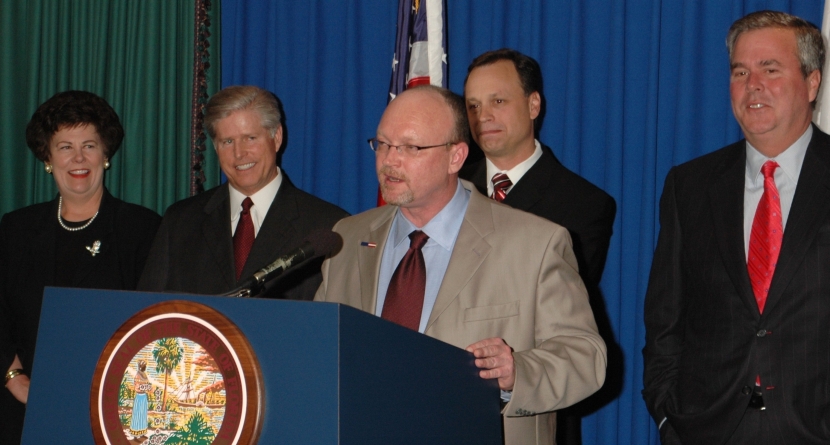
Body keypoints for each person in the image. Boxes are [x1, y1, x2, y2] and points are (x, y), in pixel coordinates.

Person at [314, 85, 606, 445]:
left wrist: (519, 373)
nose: (389, 160)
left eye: (410, 147)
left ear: (456, 157)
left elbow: (585, 358)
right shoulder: (347, 237)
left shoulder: (535, 243)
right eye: (383, 144)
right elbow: (319, 351)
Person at [643, 10, 830, 444]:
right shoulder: (688, 186)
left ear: (813, 83)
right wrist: (670, 419)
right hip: (708, 431)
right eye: (740, 71)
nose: (753, 85)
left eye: (770, 69)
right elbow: (666, 323)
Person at [461, 49, 618, 444]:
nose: (483, 117)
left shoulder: (583, 203)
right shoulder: (448, 189)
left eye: (498, 101)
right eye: (473, 105)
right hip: (443, 401)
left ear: (533, 105)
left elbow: (549, 323)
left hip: (527, 416)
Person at [0, 90, 161, 443]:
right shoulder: (16, 229)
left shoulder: (142, 229)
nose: (78, 158)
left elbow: (152, 322)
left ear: (105, 154)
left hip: (109, 413)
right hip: (23, 412)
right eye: (64, 146)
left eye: (89, 145)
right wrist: (15, 380)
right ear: (47, 156)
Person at [139, 86, 347, 299]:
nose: (239, 154)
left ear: (276, 137)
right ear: (215, 147)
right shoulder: (180, 222)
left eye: (250, 138)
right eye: (227, 142)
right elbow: (148, 312)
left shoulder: (328, 225)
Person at [129, 360, 150, 439]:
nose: (145, 367)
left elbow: (147, 384)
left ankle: (142, 433)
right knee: (137, 415)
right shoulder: (137, 375)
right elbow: (137, 386)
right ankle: (135, 435)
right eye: (144, 366)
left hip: (144, 396)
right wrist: (142, 387)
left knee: (143, 414)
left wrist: (148, 387)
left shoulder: (144, 374)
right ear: (141, 366)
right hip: (139, 396)